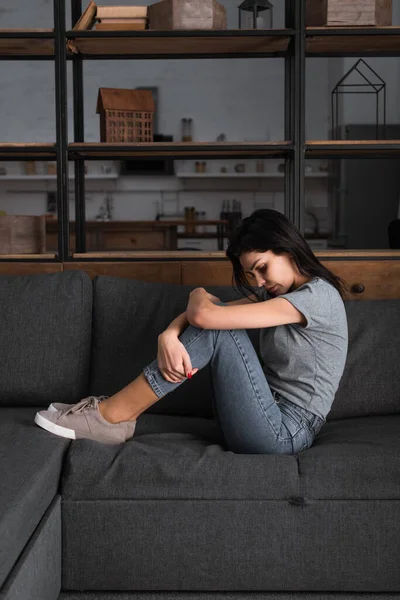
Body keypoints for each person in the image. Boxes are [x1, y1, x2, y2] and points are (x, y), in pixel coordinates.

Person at [34, 209, 349, 454]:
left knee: (221, 330)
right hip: (257, 414)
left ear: (288, 250)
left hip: (285, 432)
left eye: (262, 268)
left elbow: (205, 315)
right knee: (217, 324)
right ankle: (110, 414)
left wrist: (195, 301)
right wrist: (168, 336)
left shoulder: (317, 298)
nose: (259, 282)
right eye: (253, 274)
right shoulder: (278, 296)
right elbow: (205, 311)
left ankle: (109, 416)